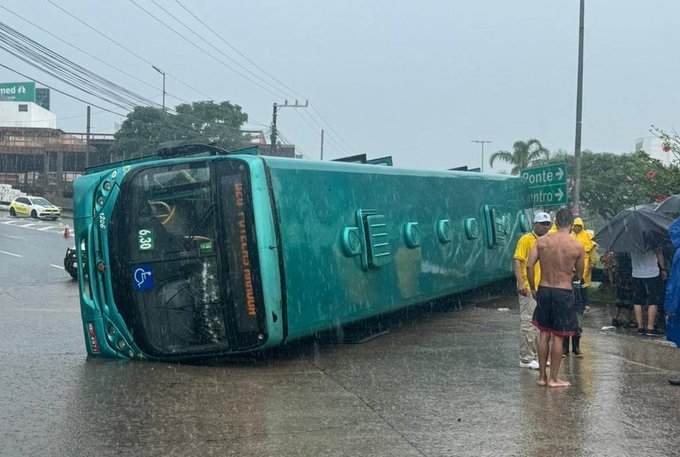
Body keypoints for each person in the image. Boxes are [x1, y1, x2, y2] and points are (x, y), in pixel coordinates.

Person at [527, 207, 584, 387]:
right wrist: (568, 276)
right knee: (559, 336)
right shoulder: (576, 246)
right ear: (572, 224)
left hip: (544, 289)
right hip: (563, 291)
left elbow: (529, 265)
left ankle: (542, 377)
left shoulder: (542, 241)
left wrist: (534, 288)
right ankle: (554, 378)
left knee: (544, 333)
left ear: (555, 222)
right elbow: (580, 275)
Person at [514, 211, 552, 369]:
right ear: (534, 224)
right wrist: (521, 283)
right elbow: (517, 261)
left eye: (547, 224)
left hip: (543, 287)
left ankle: (536, 354)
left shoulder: (547, 241)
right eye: (542, 224)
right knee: (528, 323)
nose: (545, 227)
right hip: (529, 288)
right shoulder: (526, 239)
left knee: (539, 324)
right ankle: (526, 358)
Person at [564, 217, 595, 356]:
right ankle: (565, 348)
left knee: (577, 327)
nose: (577, 227)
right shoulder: (564, 278)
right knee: (565, 327)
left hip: (578, 306)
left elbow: (584, 291)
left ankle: (576, 348)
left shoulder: (579, 279)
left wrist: (586, 304)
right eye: (574, 225)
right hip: (566, 306)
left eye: (579, 225)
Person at [630, 247, 667, 336]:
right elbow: (659, 254)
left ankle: (640, 327)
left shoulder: (631, 240)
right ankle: (650, 327)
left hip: (636, 273)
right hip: (652, 273)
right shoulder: (652, 238)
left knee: (637, 301)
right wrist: (663, 268)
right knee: (653, 300)